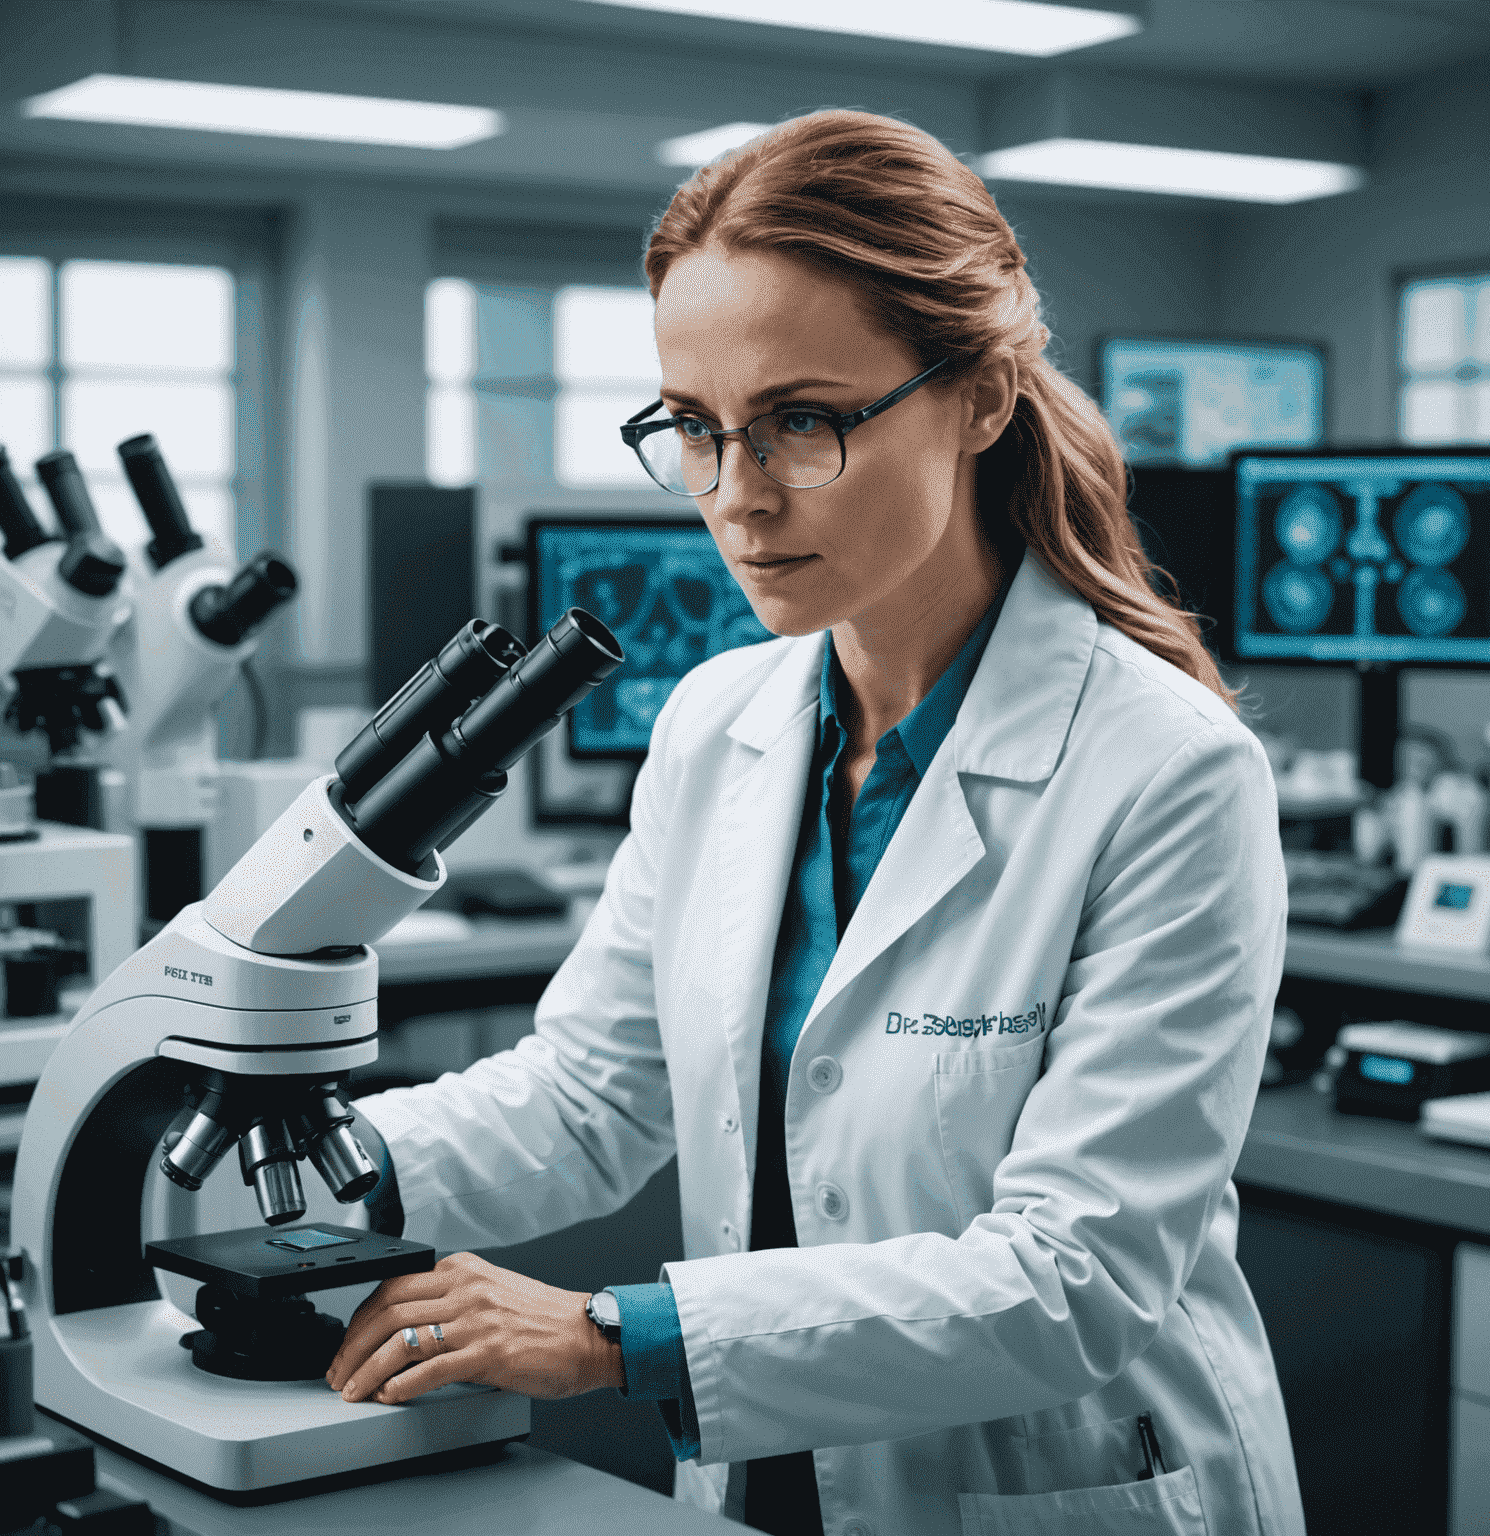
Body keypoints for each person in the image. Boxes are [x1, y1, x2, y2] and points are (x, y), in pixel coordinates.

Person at [325, 110, 1305, 1536]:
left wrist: (611, 1336)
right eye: (696, 430)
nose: (737, 497)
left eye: (803, 421)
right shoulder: (717, 724)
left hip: (1054, 1487)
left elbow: (1071, 1279)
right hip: (760, 1479)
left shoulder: (1168, 770)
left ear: (979, 395)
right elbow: (596, 1095)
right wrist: (317, 1165)